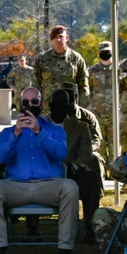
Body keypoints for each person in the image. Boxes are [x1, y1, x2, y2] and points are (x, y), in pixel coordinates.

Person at [0, 87, 80, 254]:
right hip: (16, 187)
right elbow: (1, 158)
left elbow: (61, 153)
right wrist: (16, 134)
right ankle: (1, 250)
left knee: (70, 186)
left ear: (41, 104)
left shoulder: (55, 129)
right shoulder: (8, 132)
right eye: (25, 102)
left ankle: (65, 252)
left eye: (34, 101)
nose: (30, 105)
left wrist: (39, 132)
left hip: (48, 186)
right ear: (20, 105)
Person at [49, 87, 102, 245]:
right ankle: (32, 227)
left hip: (71, 172)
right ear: (49, 105)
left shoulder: (80, 126)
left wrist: (74, 166)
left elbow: (86, 154)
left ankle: (90, 225)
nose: (59, 107)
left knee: (91, 178)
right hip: (44, 174)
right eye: (56, 103)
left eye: (63, 103)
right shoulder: (40, 125)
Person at [34, 25, 89, 106]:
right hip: (48, 109)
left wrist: (83, 107)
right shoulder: (42, 59)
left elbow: (83, 85)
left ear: (67, 38)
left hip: (70, 109)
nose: (58, 39)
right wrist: (35, 104)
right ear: (51, 40)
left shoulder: (76, 58)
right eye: (55, 37)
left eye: (61, 36)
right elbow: (35, 83)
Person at [87, 40, 115, 163]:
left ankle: (115, 175)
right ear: (98, 53)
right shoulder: (92, 71)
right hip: (98, 114)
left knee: (115, 147)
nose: (105, 54)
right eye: (103, 52)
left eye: (108, 51)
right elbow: (89, 90)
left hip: (115, 115)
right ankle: (102, 174)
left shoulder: (118, 70)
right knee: (100, 145)